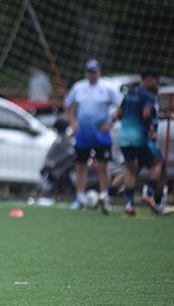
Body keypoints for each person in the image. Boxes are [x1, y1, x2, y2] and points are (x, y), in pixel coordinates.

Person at [64, 59, 122, 213]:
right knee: (80, 165)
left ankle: (104, 196)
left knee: (103, 165)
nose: (92, 75)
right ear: (86, 73)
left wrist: (110, 123)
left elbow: (121, 106)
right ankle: (79, 197)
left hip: (101, 134)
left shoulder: (107, 88)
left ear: (99, 72)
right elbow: (68, 105)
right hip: (83, 134)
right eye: (89, 72)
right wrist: (73, 122)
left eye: (94, 72)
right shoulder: (79, 87)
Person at [115, 70, 164, 215]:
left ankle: (129, 204)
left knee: (131, 170)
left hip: (124, 137)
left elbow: (119, 114)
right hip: (141, 138)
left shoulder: (128, 94)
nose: (158, 84)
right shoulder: (148, 96)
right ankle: (149, 194)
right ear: (149, 80)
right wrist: (149, 128)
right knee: (157, 163)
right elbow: (147, 114)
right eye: (157, 80)